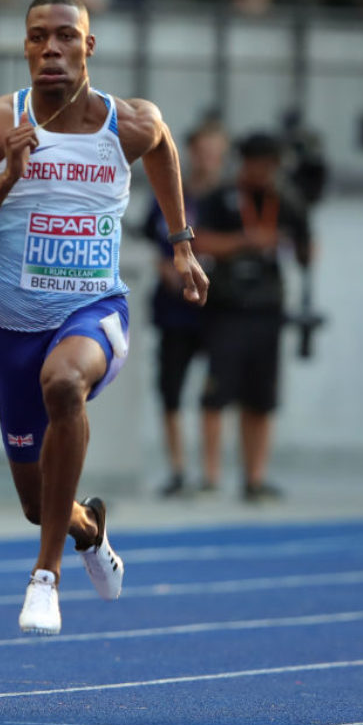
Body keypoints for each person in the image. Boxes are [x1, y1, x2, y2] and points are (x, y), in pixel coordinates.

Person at [0, 0, 208, 635]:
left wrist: (182, 242)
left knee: (64, 384)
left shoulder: (128, 123)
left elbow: (163, 146)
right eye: (37, 37)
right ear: (25, 47)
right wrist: (8, 177)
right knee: (39, 504)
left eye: (64, 36)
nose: (50, 48)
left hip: (94, 314)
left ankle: (45, 576)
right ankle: (87, 531)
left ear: (88, 46)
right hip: (12, 331)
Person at [196, 131, 313, 502]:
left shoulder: (285, 199)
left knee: (261, 398)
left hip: (268, 308)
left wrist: (300, 236)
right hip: (228, 308)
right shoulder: (220, 197)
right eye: (260, 164)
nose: (265, 172)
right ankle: (211, 476)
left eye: (271, 166)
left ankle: (255, 477)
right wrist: (247, 242)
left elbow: (306, 250)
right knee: (216, 395)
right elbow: (198, 241)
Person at [143, 117, 228, 497]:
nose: (208, 159)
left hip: (215, 308)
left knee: (214, 391)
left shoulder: (229, 199)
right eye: (202, 151)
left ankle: (211, 472)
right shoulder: (170, 191)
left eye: (215, 153)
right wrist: (163, 266)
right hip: (174, 308)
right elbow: (149, 238)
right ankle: (178, 469)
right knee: (171, 389)